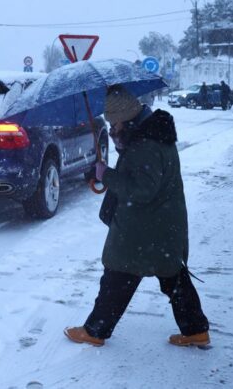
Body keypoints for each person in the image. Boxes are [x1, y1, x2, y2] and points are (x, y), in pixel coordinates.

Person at [65, 85, 210, 348]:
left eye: (114, 123)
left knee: (118, 277)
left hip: (144, 229)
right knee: (173, 277)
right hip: (160, 226)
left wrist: (105, 175)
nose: (112, 129)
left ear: (125, 119)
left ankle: (95, 331)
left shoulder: (146, 145)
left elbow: (142, 190)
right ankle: (195, 330)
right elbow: (141, 175)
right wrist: (110, 166)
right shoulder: (150, 135)